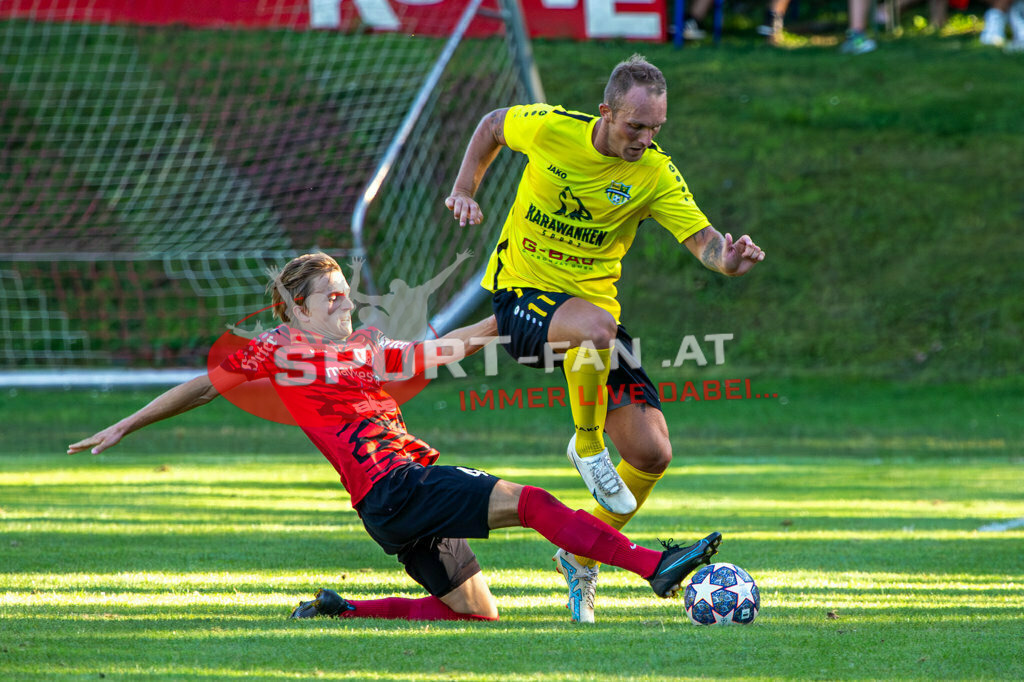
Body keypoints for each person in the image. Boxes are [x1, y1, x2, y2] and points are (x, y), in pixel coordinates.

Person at [67, 252, 722, 622]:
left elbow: (435, 353)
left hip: (385, 508)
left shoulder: (361, 346)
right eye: (333, 298)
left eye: (347, 295)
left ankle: (342, 610)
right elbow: (202, 385)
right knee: (531, 502)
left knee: (479, 617)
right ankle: (651, 566)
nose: (347, 306)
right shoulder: (277, 350)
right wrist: (127, 423)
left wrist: (504, 321)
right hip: (398, 486)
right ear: (297, 309)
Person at [444, 55, 763, 622]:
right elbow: (494, 124)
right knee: (595, 327)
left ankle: (578, 555)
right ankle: (586, 446)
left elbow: (705, 242)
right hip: (522, 296)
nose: (644, 139)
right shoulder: (552, 129)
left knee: (650, 452)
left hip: (594, 322)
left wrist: (728, 260)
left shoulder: (655, 174)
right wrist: (467, 185)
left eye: (655, 129)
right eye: (634, 126)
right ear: (606, 112)